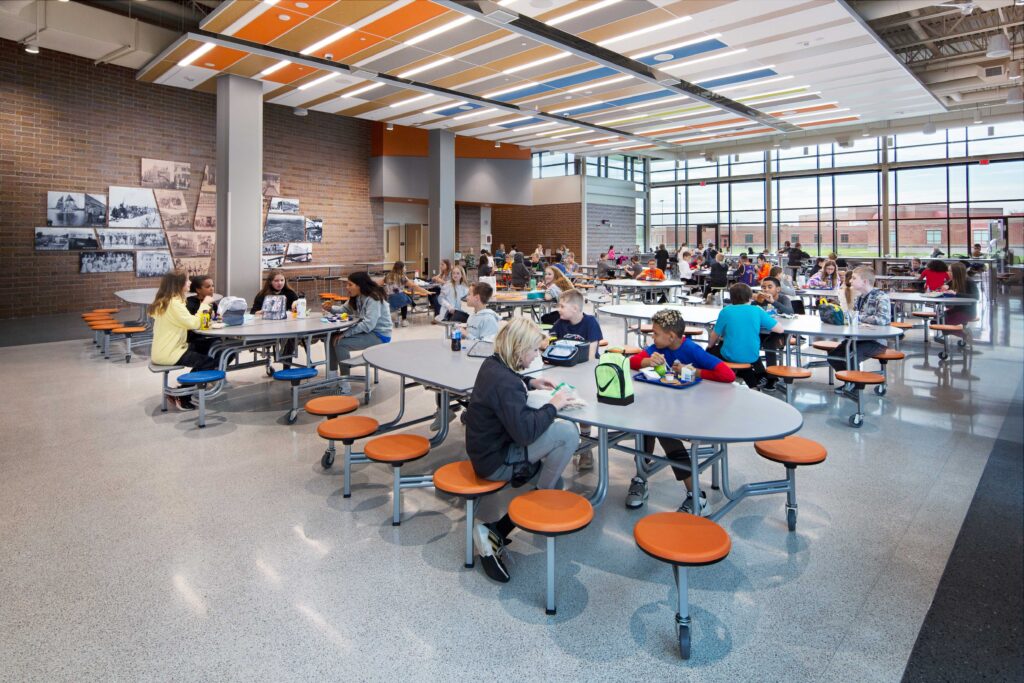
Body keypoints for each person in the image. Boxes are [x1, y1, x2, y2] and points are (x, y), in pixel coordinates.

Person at [465, 318, 579, 582]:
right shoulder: (507, 382)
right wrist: (555, 404)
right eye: (534, 351)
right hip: (495, 462)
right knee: (567, 434)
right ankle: (497, 528)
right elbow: (526, 433)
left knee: (556, 478)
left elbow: (507, 390)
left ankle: (507, 522)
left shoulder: (493, 365)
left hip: (484, 451)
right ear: (518, 349)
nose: (536, 357)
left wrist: (530, 384)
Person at [624, 308, 736, 512]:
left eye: (656, 333)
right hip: (666, 411)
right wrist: (647, 361)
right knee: (645, 427)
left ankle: (697, 498)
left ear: (672, 336)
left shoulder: (691, 349)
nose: (652, 337)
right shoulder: (657, 348)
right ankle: (641, 477)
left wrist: (696, 371)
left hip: (693, 413)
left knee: (664, 433)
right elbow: (631, 362)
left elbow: (727, 374)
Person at [549, 289, 603, 470]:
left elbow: (590, 355)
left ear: (574, 308)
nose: (558, 309)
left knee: (583, 410)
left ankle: (586, 448)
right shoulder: (560, 323)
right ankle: (572, 442)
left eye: (562, 306)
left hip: (585, 374)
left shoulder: (590, 323)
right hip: (564, 373)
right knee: (568, 409)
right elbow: (548, 342)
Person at [149, 270, 216, 410]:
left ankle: (190, 388)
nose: (190, 283)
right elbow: (193, 323)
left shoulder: (168, 300)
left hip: (169, 349)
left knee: (212, 346)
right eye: (187, 281)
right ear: (179, 284)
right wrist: (204, 304)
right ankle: (183, 394)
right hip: (170, 352)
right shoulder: (174, 303)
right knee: (208, 361)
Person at [324, 272, 393, 394]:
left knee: (340, 342)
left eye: (350, 285)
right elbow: (344, 309)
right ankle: (332, 379)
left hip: (379, 335)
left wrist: (345, 333)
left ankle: (345, 385)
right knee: (331, 339)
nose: (347, 287)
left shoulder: (373, 298)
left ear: (359, 285)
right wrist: (331, 308)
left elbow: (368, 324)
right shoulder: (357, 296)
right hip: (368, 332)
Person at [707, 283, 784, 388]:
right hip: (752, 355)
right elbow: (780, 329)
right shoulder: (757, 310)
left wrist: (710, 346)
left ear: (731, 297)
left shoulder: (726, 311)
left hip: (730, 354)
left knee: (710, 352)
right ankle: (753, 382)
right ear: (750, 297)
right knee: (743, 357)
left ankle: (721, 377)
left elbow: (714, 335)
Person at [826, 267, 891, 385]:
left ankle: (856, 386)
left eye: (854, 278)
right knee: (833, 357)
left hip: (875, 342)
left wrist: (858, 317)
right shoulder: (860, 297)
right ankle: (849, 383)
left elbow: (882, 319)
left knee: (850, 358)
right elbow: (854, 317)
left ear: (865, 281)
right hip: (857, 339)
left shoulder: (881, 297)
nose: (850, 281)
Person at [753, 277, 793, 390]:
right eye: (763, 287)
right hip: (763, 332)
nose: (766, 289)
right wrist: (755, 301)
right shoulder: (761, 300)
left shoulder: (784, 299)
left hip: (780, 333)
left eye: (770, 287)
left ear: (778, 289)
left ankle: (772, 377)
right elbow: (750, 311)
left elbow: (790, 312)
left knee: (769, 344)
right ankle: (761, 373)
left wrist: (773, 302)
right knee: (750, 343)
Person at [384, 261, 427, 327]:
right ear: (401, 268)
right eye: (405, 267)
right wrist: (425, 291)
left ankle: (414, 306)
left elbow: (380, 283)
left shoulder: (388, 276)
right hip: (399, 299)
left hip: (389, 300)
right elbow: (413, 286)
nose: (406, 269)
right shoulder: (402, 277)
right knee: (404, 298)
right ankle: (404, 319)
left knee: (403, 295)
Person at [943, 262, 979, 334]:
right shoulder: (952, 281)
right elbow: (942, 289)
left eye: (950, 271)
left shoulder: (969, 282)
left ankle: (965, 334)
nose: (948, 273)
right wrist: (942, 288)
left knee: (945, 324)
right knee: (936, 320)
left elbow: (976, 297)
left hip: (968, 312)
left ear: (957, 272)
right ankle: (962, 331)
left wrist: (956, 293)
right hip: (955, 310)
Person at [185, 274, 217, 357]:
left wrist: (216, 317)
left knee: (229, 346)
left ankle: (213, 368)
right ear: (198, 290)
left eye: (212, 286)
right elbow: (191, 324)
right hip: (194, 340)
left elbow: (216, 318)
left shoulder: (212, 302)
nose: (212, 289)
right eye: (207, 287)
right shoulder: (190, 303)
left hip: (209, 335)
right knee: (219, 347)